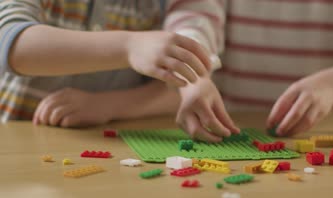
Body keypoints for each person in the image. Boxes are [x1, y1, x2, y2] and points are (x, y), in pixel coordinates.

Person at [168, 0, 333, 141]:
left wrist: (332, 86)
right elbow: (192, 24)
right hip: (233, 134)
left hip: (331, 137)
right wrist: (194, 81)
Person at [0, 0, 224, 127]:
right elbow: (12, 43)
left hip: (100, 156)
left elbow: (174, 90)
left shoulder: (156, 5)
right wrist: (128, 46)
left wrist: (106, 105)